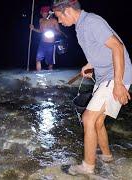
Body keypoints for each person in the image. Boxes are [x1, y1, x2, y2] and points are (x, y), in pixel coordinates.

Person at [52, 0, 132, 176]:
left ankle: (88, 167)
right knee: (96, 121)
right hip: (104, 76)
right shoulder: (80, 27)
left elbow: (117, 47)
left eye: (58, 17)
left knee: (87, 119)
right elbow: (100, 51)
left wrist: (118, 84)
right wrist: (89, 65)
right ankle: (107, 156)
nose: (58, 21)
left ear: (67, 10)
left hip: (115, 75)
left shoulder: (91, 22)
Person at [30, 5, 64, 71]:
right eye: (43, 13)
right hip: (42, 43)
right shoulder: (41, 20)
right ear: (41, 13)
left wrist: (52, 31)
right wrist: (33, 29)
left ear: (49, 13)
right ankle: (38, 75)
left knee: (50, 62)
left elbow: (59, 32)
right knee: (38, 59)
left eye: (45, 13)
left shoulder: (54, 20)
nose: (44, 14)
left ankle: (50, 76)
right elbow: (41, 31)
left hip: (51, 44)